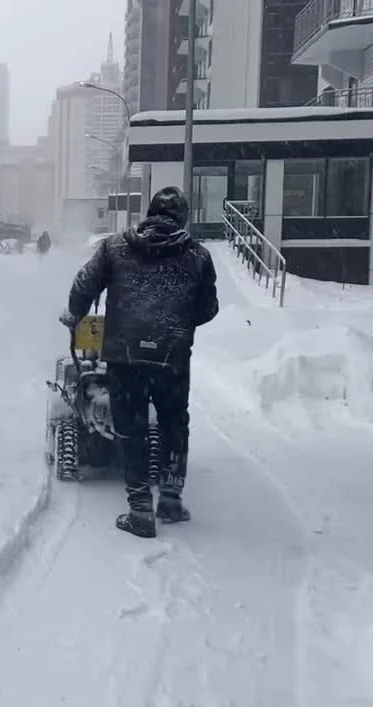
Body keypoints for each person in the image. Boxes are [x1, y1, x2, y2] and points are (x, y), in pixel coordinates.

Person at [58, 186, 219, 539]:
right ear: (183, 218)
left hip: (125, 356)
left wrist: (74, 315)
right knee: (174, 424)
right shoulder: (198, 256)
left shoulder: (115, 247)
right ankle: (172, 499)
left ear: (148, 213)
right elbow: (208, 309)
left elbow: (84, 284)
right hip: (172, 357)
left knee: (131, 428)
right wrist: (176, 318)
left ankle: (140, 509)